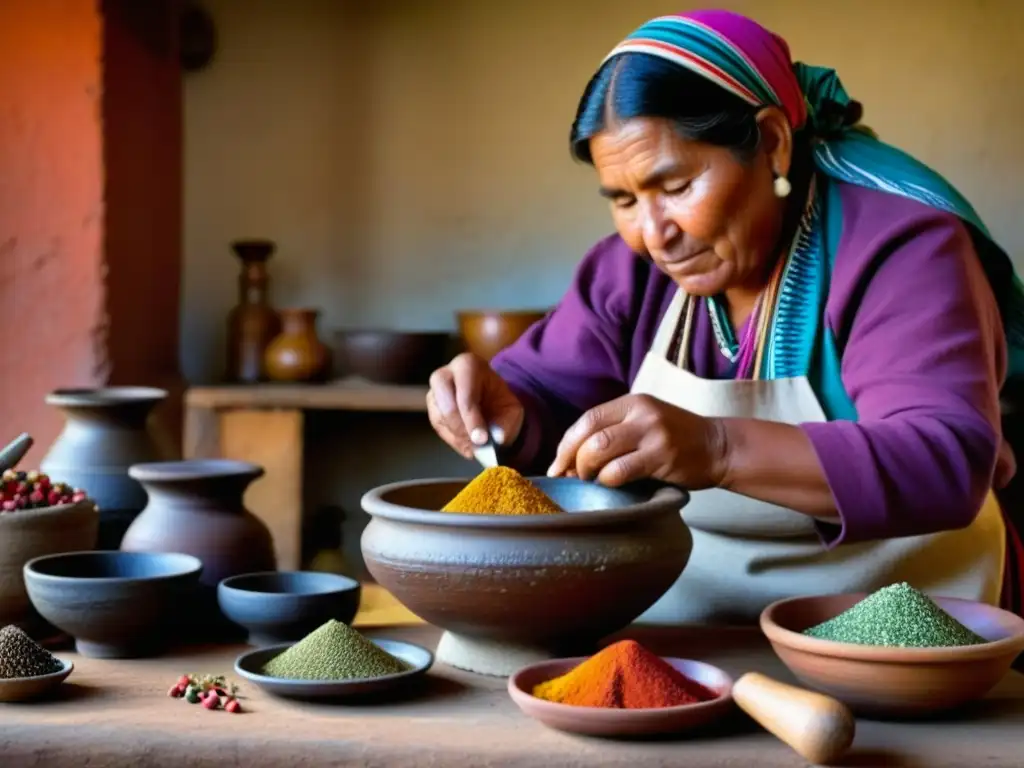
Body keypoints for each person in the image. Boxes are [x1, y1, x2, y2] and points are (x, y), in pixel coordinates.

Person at [426, 9, 1024, 624]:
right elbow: (549, 396)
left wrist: (716, 446)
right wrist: (509, 414)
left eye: (677, 186)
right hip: (693, 629)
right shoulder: (627, 272)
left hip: (896, 626)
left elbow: (943, 462)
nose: (654, 234)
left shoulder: (902, 251)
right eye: (625, 200)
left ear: (770, 142)